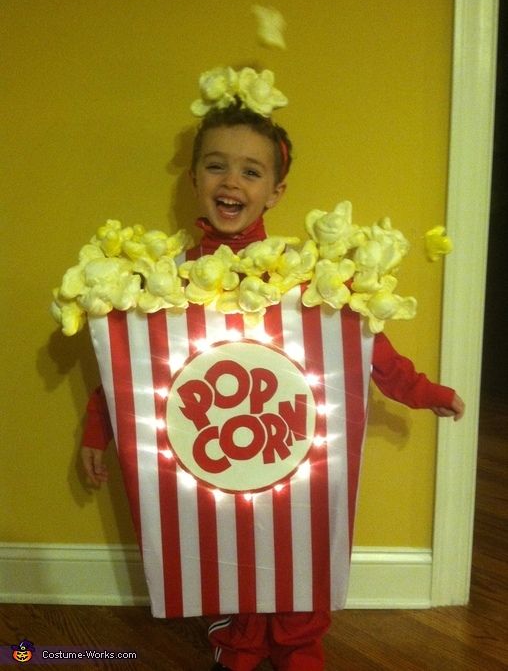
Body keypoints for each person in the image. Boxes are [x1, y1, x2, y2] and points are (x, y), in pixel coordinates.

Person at [81, 92, 465, 671]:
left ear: (275, 191)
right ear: (194, 177)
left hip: (292, 453)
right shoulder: (164, 282)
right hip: (213, 458)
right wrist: (96, 430)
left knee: (297, 557)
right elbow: (132, 367)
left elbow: (365, 349)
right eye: (216, 164)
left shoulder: (308, 281)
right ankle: (237, 644)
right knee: (230, 558)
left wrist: (422, 391)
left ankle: (299, 647)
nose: (231, 179)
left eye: (251, 170)